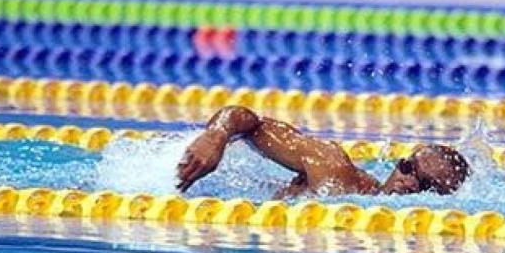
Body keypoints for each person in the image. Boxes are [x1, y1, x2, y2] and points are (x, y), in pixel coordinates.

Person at [176, 106, 470, 198]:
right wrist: (215, 136)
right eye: (407, 167)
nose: (408, 182)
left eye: (425, 184)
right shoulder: (333, 167)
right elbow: (249, 121)